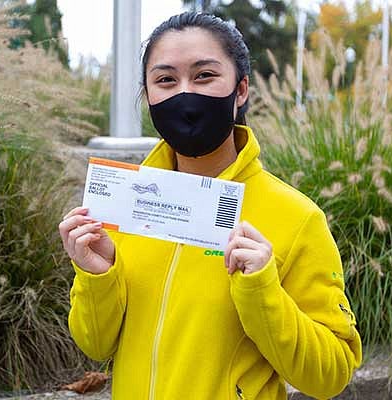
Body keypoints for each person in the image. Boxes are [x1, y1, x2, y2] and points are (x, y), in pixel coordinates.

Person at [58, 12, 362, 399]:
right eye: (165, 80)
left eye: (204, 75)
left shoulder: (297, 218)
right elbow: (95, 346)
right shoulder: (127, 207)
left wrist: (263, 292)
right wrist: (98, 276)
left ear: (240, 90)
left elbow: (331, 375)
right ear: (148, 95)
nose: (185, 94)